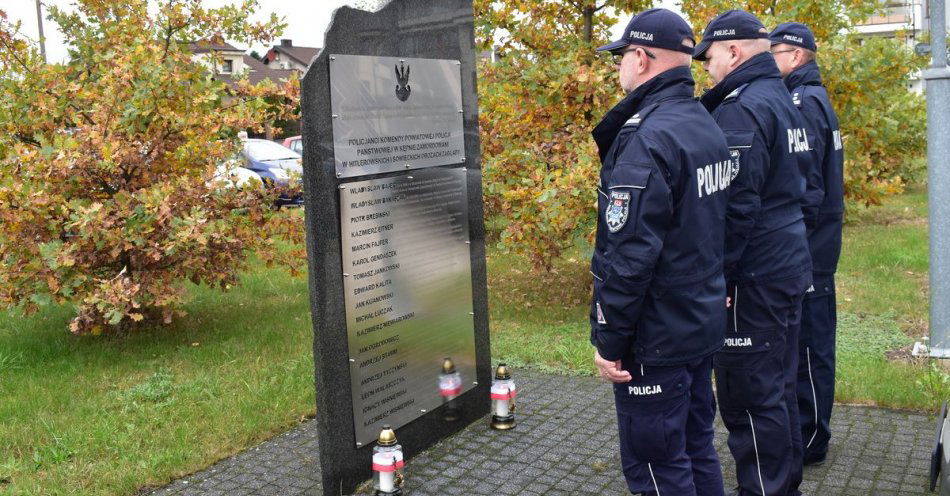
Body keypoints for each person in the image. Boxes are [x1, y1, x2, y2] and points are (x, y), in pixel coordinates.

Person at [590, 8, 733, 496]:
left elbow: (628, 255)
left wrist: (609, 340)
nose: (618, 69)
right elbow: (718, 228)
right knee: (695, 448)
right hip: (696, 322)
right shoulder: (703, 123)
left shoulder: (648, 136)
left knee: (657, 464)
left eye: (621, 58)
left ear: (641, 58)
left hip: (656, 337)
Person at [693, 10, 814, 496]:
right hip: (784, 259)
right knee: (778, 387)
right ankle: (783, 485)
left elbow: (736, 204)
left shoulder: (741, 108)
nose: (706, 67)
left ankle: (765, 489)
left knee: (749, 396)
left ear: (735, 51)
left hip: (755, 274)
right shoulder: (781, 98)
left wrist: (718, 277)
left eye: (711, 56)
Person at [769, 22, 845, 467]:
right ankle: (807, 430)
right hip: (816, 245)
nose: (769, 61)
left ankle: (812, 437)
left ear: (796, 56)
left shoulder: (803, 102)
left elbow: (808, 190)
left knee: (811, 347)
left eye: (774, 52)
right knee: (807, 344)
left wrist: (791, 242)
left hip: (812, 250)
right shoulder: (812, 99)